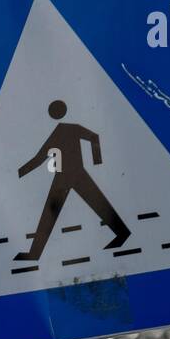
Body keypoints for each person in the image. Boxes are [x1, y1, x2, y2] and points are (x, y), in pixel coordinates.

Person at [14, 99, 131, 261]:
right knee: (58, 212)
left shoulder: (63, 130)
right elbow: (41, 157)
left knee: (95, 205)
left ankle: (34, 253)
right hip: (66, 175)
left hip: (72, 174)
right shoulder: (65, 130)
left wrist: (97, 160)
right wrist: (20, 172)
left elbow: (40, 158)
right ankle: (34, 253)